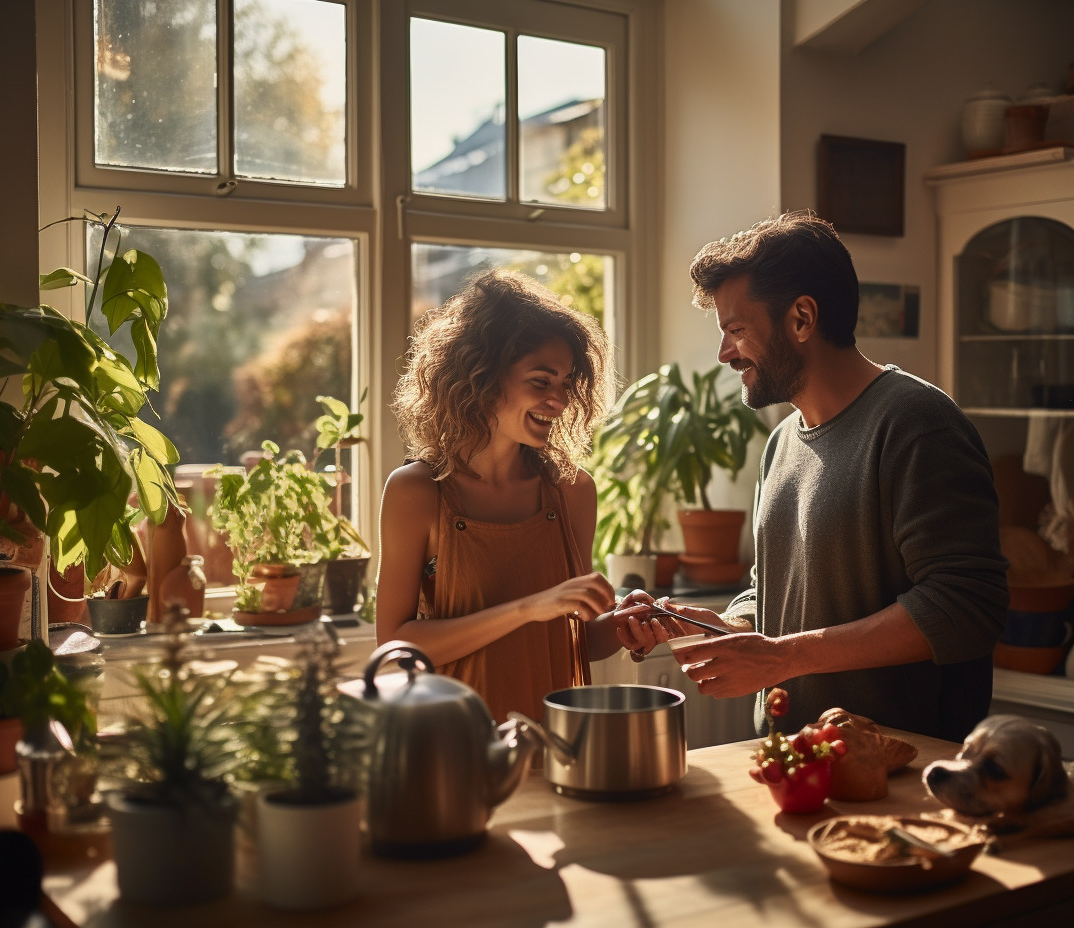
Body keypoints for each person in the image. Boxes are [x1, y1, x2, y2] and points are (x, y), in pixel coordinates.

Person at [609, 211, 1009, 743]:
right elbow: (774, 597)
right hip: (792, 760)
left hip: (903, 774)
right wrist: (715, 628)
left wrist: (782, 657)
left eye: (736, 331)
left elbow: (965, 606)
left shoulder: (917, 423)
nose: (725, 353)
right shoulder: (782, 443)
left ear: (801, 318)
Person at [376, 269, 661, 723]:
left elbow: (575, 639)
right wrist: (530, 608)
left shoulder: (573, 491)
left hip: (559, 740)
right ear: (483, 377)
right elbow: (396, 645)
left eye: (565, 384)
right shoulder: (417, 492)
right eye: (541, 381)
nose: (560, 401)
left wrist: (626, 627)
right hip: (458, 746)